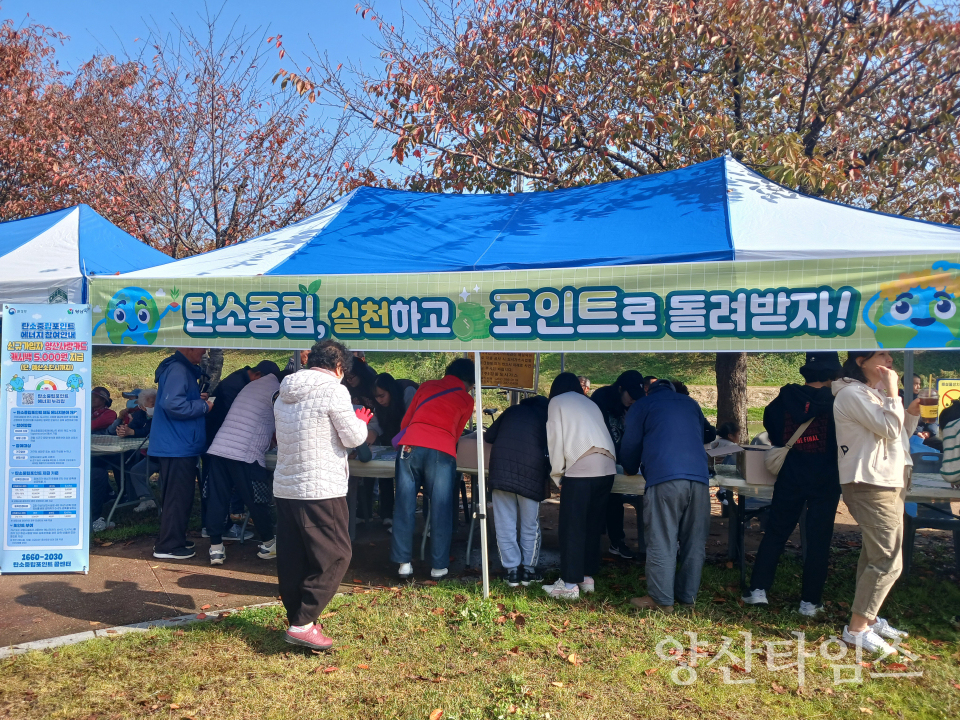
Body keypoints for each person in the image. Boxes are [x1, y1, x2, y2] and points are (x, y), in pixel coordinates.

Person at [273, 340, 372, 650]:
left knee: (294, 557)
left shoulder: (284, 391)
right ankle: (303, 623)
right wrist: (363, 423)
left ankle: (299, 620)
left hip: (287, 486)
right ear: (339, 366)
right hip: (320, 486)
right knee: (337, 554)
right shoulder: (334, 389)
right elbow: (353, 436)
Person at [742, 352, 843, 616]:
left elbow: (773, 432)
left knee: (776, 531)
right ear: (832, 375)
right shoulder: (839, 404)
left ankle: (758, 590)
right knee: (819, 539)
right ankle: (810, 602)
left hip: (790, 475)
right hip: (827, 479)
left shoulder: (782, 400)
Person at [833, 351, 920, 654]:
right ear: (861, 361)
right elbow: (888, 429)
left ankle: (867, 621)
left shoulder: (873, 393)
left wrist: (910, 411)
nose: (890, 359)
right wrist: (894, 393)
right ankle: (857, 629)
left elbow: (898, 436)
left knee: (875, 554)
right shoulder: (851, 393)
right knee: (888, 558)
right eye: (882, 354)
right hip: (870, 482)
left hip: (890, 479)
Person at [620, 379, 716, 612]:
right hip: (700, 479)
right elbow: (707, 433)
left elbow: (630, 444)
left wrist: (630, 468)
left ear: (646, 390)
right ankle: (687, 597)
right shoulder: (690, 403)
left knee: (662, 538)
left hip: (665, 478)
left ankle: (661, 600)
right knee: (694, 541)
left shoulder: (642, 405)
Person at [391, 358, 475, 580]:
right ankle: (438, 566)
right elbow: (457, 433)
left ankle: (403, 564)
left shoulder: (427, 386)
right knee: (441, 507)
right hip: (442, 449)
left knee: (404, 504)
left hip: (410, 446)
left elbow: (406, 421)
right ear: (468, 382)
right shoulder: (466, 399)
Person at [543, 372, 617, 600]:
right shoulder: (589, 402)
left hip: (581, 467)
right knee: (592, 524)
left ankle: (569, 584)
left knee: (572, 526)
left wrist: (557, 475)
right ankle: (586, 578)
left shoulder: (557, 402)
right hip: (608, 466)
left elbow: (555, 441)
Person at [205, 365, 283, 565]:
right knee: (256, 499)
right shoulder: (277, 390)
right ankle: (268, 543)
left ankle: (215, 549)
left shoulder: (253, 386)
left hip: (220, 447)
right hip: (244, 452)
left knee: (217, 498)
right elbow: (283, 421)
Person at [151, 348, 212, 561]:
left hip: (176, 444)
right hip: (177, 445)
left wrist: (197, 397)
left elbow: (176, 399)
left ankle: (174, 538)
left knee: (178, 496)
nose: (204, 352)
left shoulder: (179, 368)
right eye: (201, 348)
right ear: (188, 347)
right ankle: (168, 545)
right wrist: (203, 406)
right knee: (177, 497)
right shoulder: (178, 369)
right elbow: (172, 404)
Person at [486, 393, 551, 587]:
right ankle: (529, 571)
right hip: (531, 473)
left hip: (501, 472)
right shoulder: (544, 416)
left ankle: (512, 572)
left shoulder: (512, 411)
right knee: (530, 524)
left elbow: (489, 436)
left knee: (504, 522)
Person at [590, 371, 646, 560]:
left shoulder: (632, 406)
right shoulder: (601, 398)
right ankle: (594, 544)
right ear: (620, 388)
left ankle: (617, 542)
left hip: (620, 462)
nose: (632, 401)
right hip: (598, 459)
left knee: (615, 499)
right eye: (630, 396)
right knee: (600, 501)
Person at [372, 373, 419, 527]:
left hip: (410, 442)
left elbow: (413, 422)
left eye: (382, 396)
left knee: (403, 479)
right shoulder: (378, 406)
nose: (380, 400)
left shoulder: (408, 392)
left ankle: (402, 517)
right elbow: (374, 426)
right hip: (390, 444)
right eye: (376, 397)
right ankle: (386, 514)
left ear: (391, 391)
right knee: (384, 475)